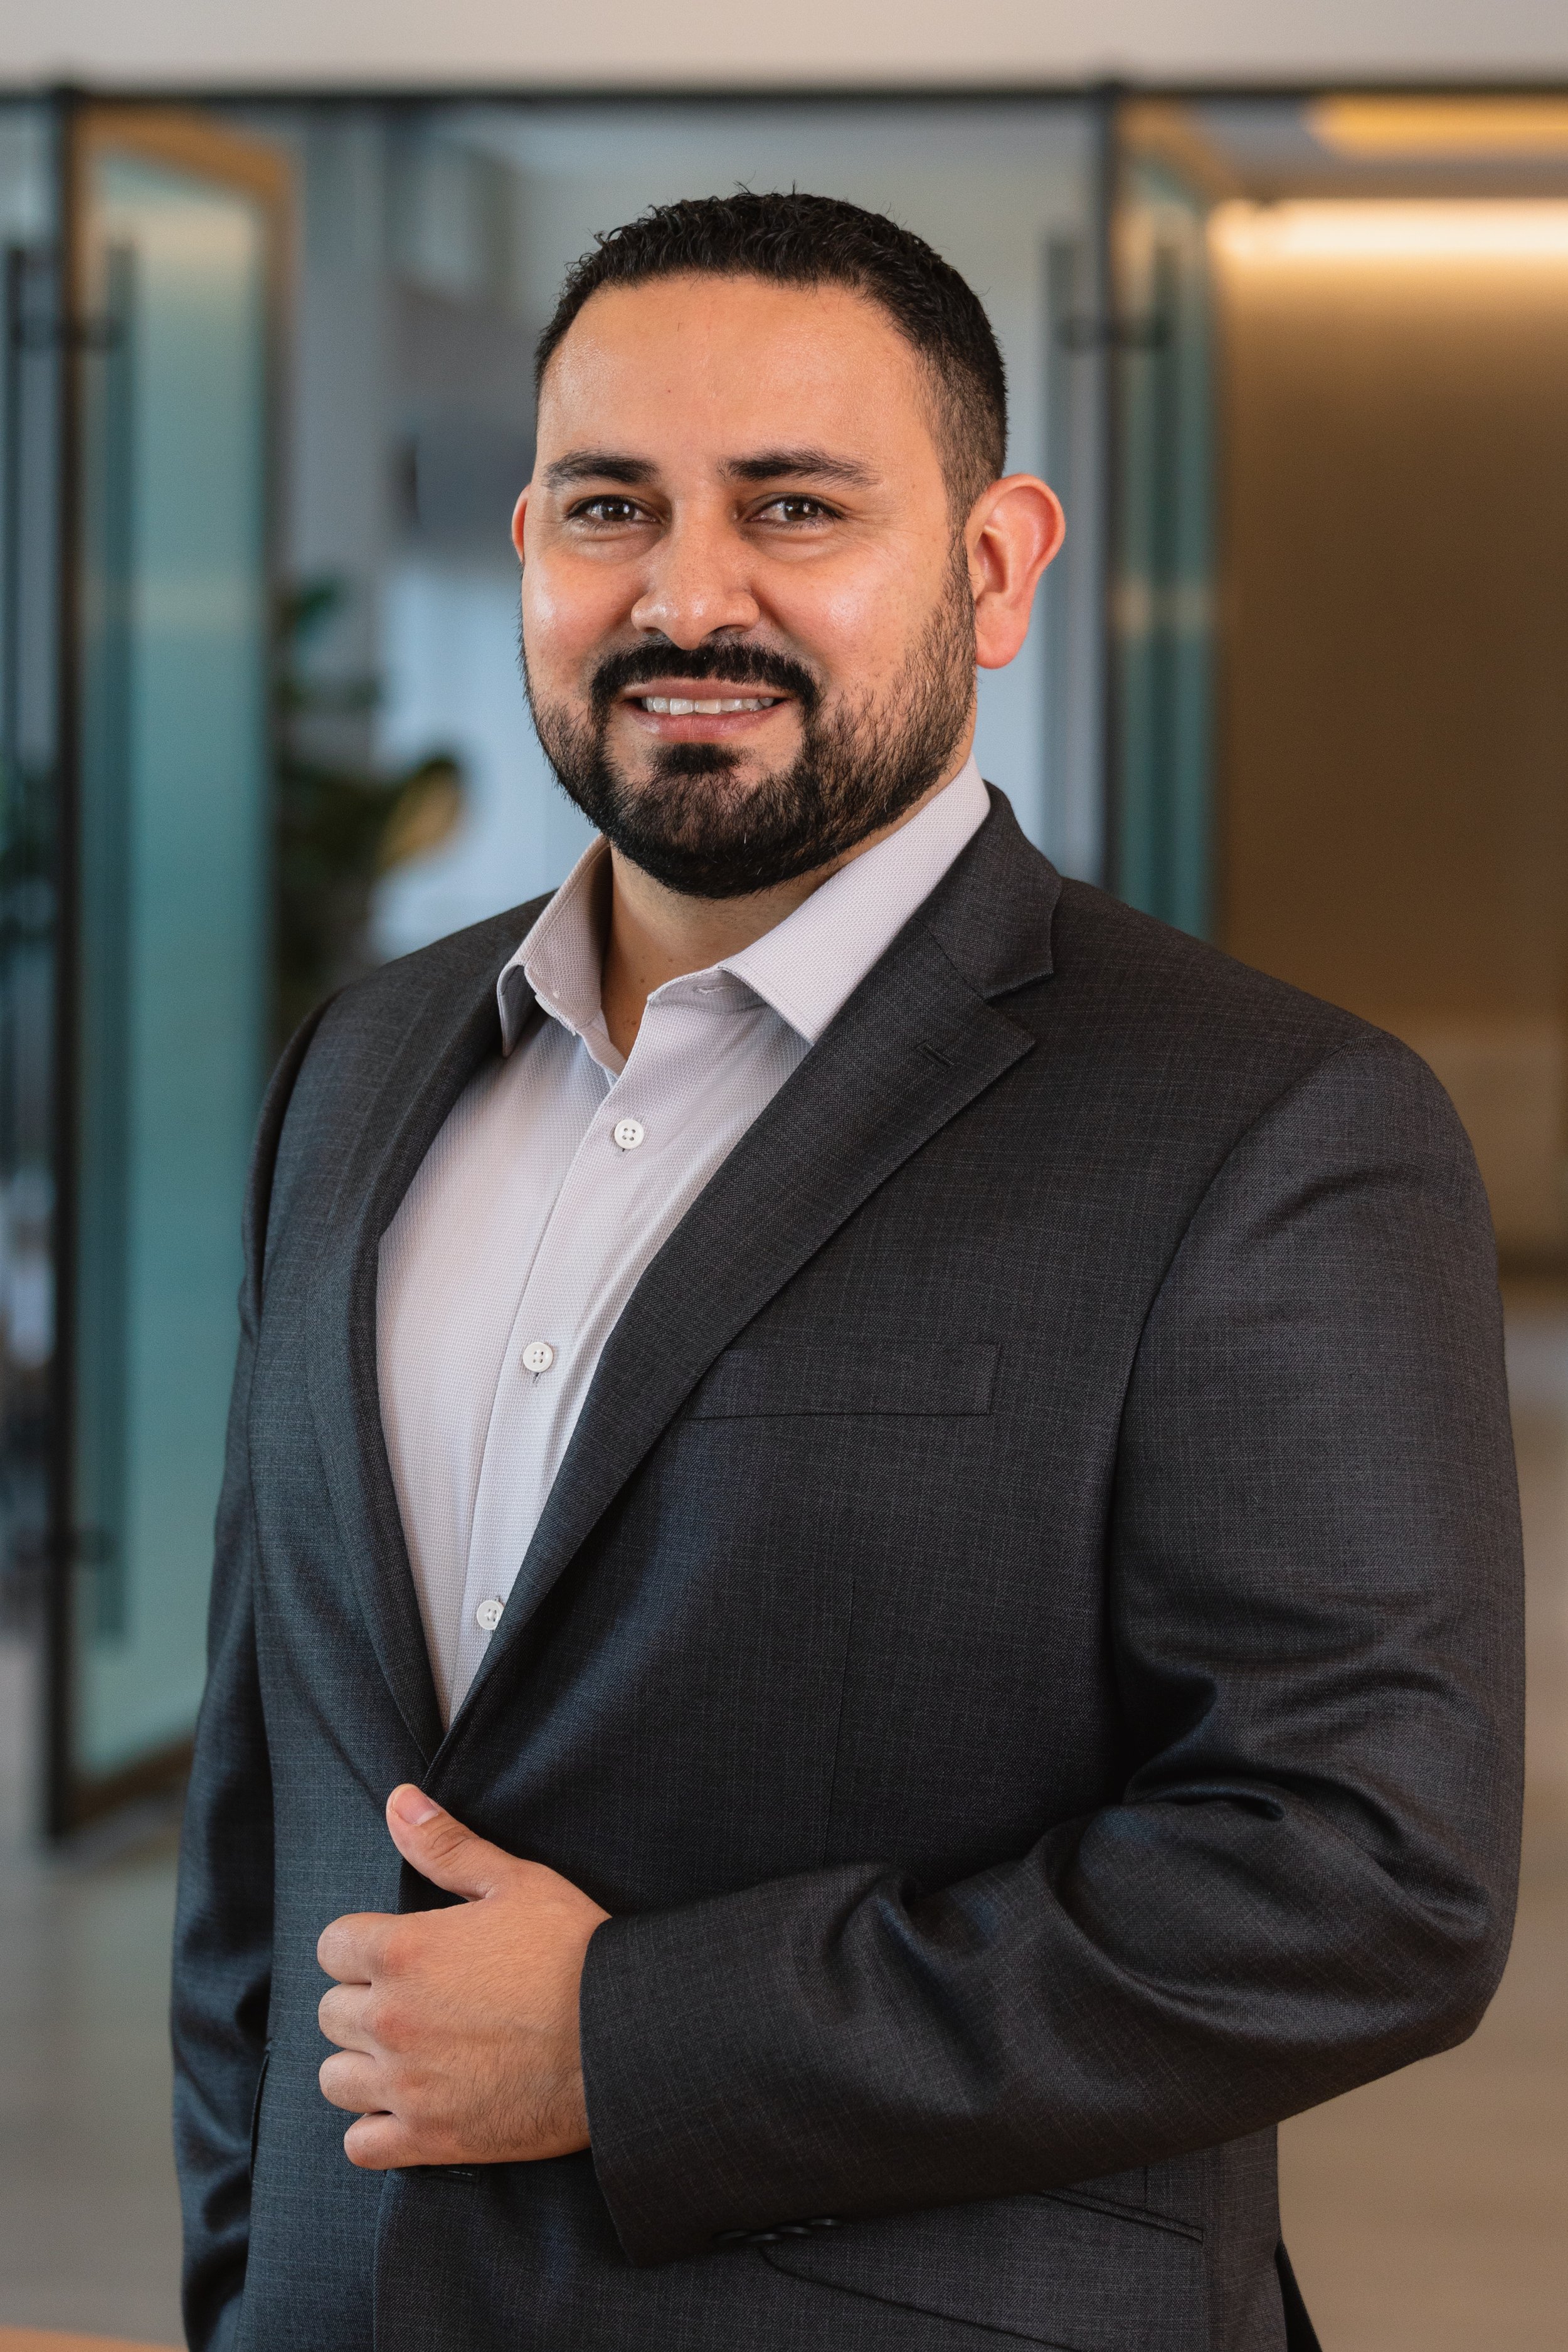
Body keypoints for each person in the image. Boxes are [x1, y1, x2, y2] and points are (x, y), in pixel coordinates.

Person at [172, 191, 1524, 2352]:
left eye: (792, 507)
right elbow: (270, 1797)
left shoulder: (1264, 1124)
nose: (684, 594)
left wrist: (629, 2038)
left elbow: (1362, 1881)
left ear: (992, 568)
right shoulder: (360, 1067)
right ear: (529, 541)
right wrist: (251, 2284)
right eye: (610, 506)